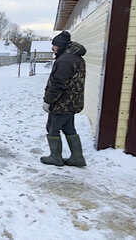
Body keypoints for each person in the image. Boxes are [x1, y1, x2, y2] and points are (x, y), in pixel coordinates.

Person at [41, 31, 87, 167]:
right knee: (68, 128)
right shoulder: (74, 57)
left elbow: (58, 84)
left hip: (63, 103)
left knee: (52, 128)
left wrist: (48, 100)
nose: (52, 48)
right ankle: (77, 158)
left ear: (60, 46)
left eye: (54, 45)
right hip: (71, 102)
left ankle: (56, 157)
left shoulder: (66, 61)